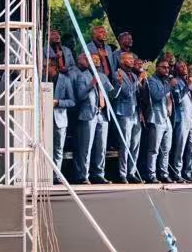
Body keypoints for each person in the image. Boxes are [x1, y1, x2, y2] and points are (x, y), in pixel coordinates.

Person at [71, 53, 114, 184]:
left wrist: (119, 83)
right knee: (86, 147)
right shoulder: (82, 76)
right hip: (88, 114)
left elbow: (112, 94)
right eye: (93, 59)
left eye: (98, 59)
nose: (96, 61)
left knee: (101, 147)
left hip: (102, 114)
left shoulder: (103, 76)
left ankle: (99, 174)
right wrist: (91, 84)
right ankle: (83, 175)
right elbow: (80, 96)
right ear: (88, 62)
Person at [111, 52, 144, 183]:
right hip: (124, 113)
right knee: (125, 144)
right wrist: (139, 80)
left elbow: (139, 95)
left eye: (132, 58)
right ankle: (122, 173)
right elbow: (127, 92)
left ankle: (132, 172)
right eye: (129, 58)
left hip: (135, 113)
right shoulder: (117, 74)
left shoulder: (134, 75)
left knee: (135, 144)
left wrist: (143, 82)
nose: (132, 60)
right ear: (121, 61)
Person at [143, 57, 173, 183]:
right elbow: (156, 96)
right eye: (163, 67)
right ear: (157, 68)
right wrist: (169, 86)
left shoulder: (166, 81)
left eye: (168, 67)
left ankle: (164, 173)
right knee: (154, 149)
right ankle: (151, 175)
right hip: (156, 117)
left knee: (166, 149)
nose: (167, 69)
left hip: (166, 118)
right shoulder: (151, 80)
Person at [168, 60, 192, 183]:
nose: (184, 68)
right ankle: (177, 172)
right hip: (181, 117)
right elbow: (177, 99)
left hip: (191, 118)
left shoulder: (188, 81)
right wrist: (188, 87)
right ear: (176, 69)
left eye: (185, 66)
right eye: (180, 66)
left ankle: (188, 172)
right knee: (180, 146)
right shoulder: (176, 82)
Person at [48, 58, 76, 172]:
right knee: (45, 147)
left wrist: (58, 102)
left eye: (46, 66)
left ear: (53, 67)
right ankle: (46, 174)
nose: (43, 69)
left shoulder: (65, 80)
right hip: (44, 120)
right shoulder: (41, 79)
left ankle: (56, 175)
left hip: (59, 120)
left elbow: (72, 101)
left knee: (58, 148)